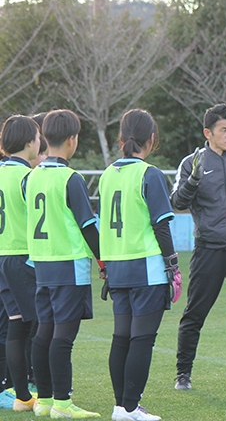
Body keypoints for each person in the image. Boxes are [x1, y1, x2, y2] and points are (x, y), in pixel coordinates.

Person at [99, 109, 181, 421]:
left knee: (121, 337)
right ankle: (131, 407)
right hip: (146, 268)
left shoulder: (107, 175)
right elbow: (161, 226)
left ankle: (121, 406)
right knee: (141, 338)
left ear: (120, 139)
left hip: (117, 267)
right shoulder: (150, 174)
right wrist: (173, 265)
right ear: (152, 139)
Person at [171, 103, 226, 389]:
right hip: (209, 248)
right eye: (224, 130)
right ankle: (183, 374)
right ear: (208, 132)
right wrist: (193, 180)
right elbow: (178, 203)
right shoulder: (191, 162)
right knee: (195, 313)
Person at [25, 109, 102, 418]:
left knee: (43, 332)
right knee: (62, 337)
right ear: (72, 140)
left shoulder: (31, 178)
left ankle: (43, 401)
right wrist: (103, 260)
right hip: (68, 265)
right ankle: (63, 404)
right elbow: (87, 226)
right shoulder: (71, 179)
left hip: (41, 264)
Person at [0, 115, 40, 411]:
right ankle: (49, 391)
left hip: (1, 256)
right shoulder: (28, 178)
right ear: (30, 142)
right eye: (38, 137)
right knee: (40, 325)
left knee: (15, 325)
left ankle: (22, 395)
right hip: (22, 256)